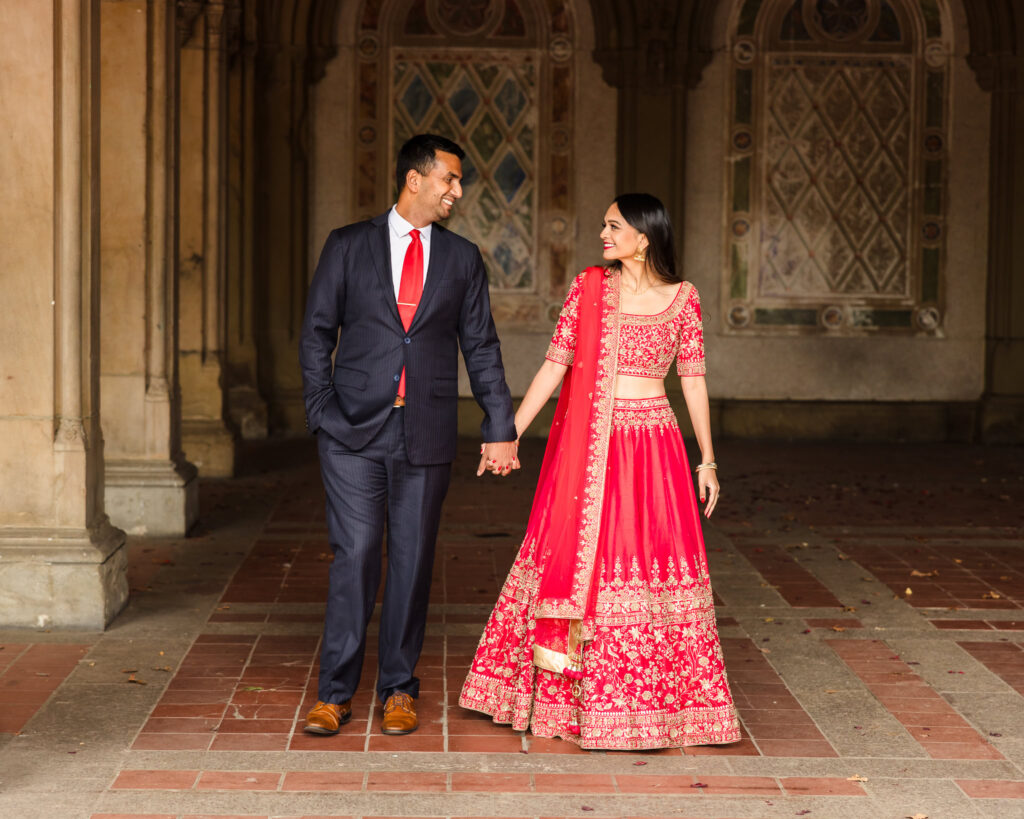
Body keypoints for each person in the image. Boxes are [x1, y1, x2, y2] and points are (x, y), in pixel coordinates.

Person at [459, 193, 741, 749]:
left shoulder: (684, 298)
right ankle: (567, 701)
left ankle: (654, 704)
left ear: (644, 237)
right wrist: (508, 432)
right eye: (604, 226)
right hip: (592, 448)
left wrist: (706, 459)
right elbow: (555, 364)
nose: (604, 236)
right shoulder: (590, 289)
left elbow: (693, 380)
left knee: (645, 562)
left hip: (654, 445)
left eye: (614, 227)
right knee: (585, 560)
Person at [299, 133, 519, 737]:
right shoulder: (347, 246)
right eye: (449, 178)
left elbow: (480, 345)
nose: (458, 190)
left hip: (425, 430)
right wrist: (320, 407)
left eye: (459, 180)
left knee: (413, 561)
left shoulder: (462, 258)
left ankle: (398, 688)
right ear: (414, 180)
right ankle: (334, 693)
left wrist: (500, 426)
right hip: (350, 430)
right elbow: (317, 331)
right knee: (357, 556)